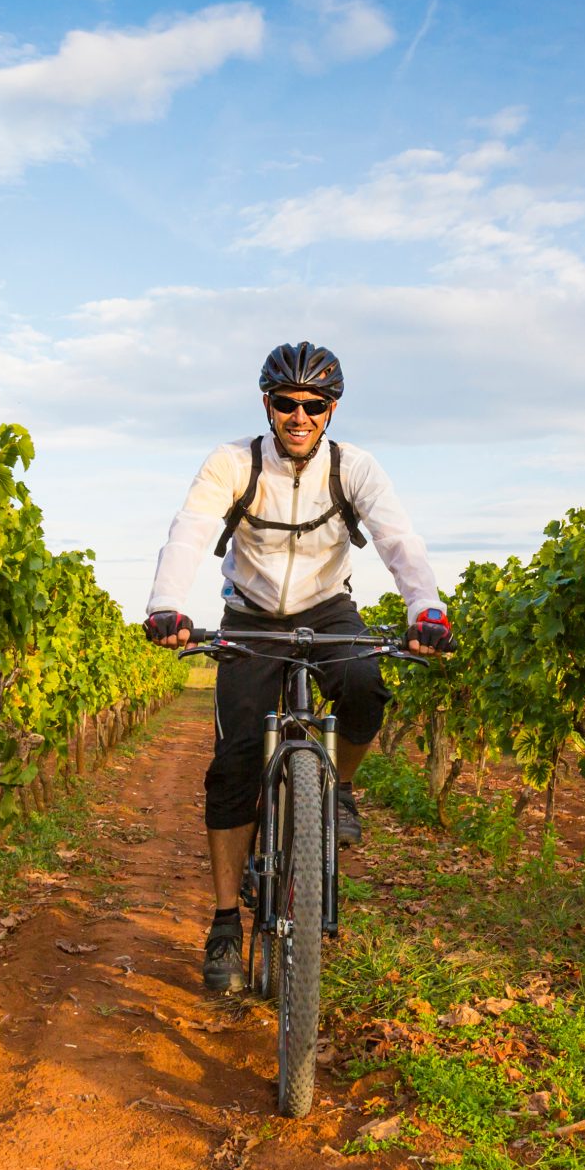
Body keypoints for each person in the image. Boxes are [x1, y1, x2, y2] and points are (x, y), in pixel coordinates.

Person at [144, 341, 453, 993]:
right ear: (267, 404)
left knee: (367, 685)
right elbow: (191, 528)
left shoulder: (354, 468)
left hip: (329, 610)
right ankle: (227, 920)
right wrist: (166, 605)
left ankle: (335, 787)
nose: (300, 415)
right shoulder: (233, 462)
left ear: (332, 408)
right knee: (232, 766)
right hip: (252, 617)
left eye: (314, 404)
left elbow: (399, 539)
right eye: (286, 403)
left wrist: (426, 607)